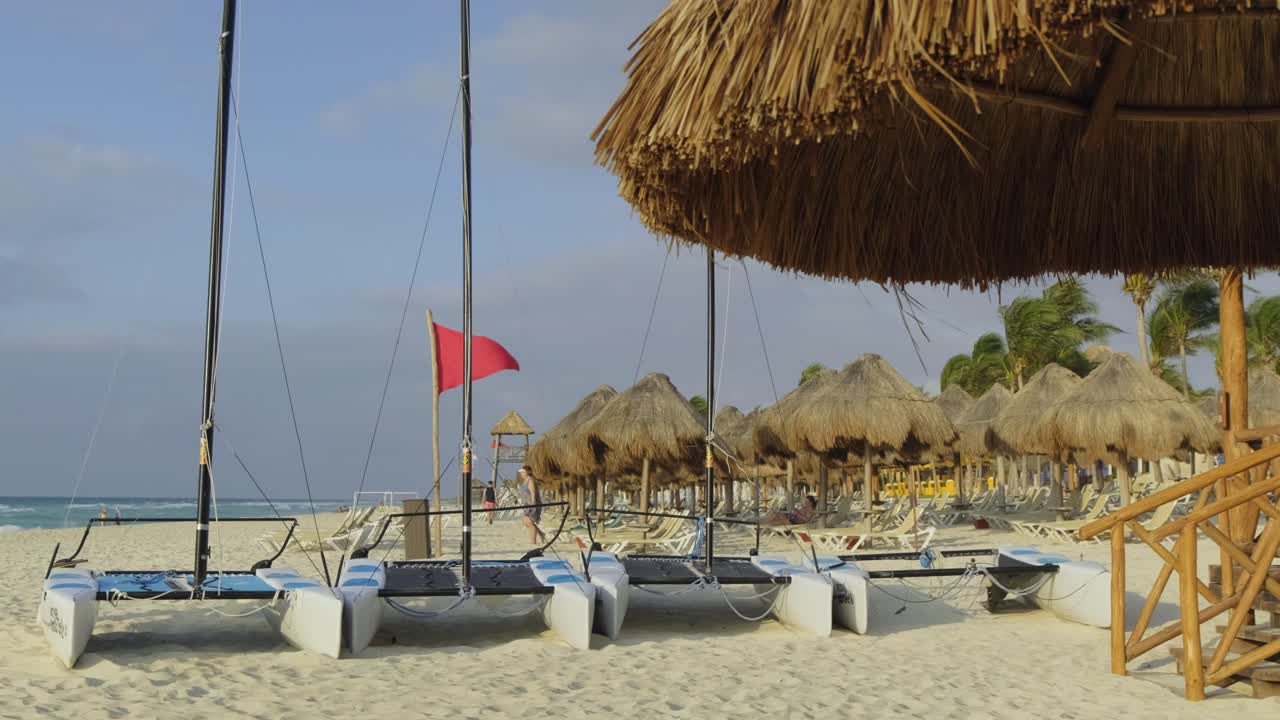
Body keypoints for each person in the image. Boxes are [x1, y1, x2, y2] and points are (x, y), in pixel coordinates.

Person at [517, 466, 547, 545]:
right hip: (526, 504)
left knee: (530, 522)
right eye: (521, 472)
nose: (521, 474)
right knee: (526, 522)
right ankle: (541, 534)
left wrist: (532, 505)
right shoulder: (524, 481)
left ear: (527, 472)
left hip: (532, 504)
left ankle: (533, 542)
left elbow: (533, 493)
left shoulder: (530, 480)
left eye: (523, 472)